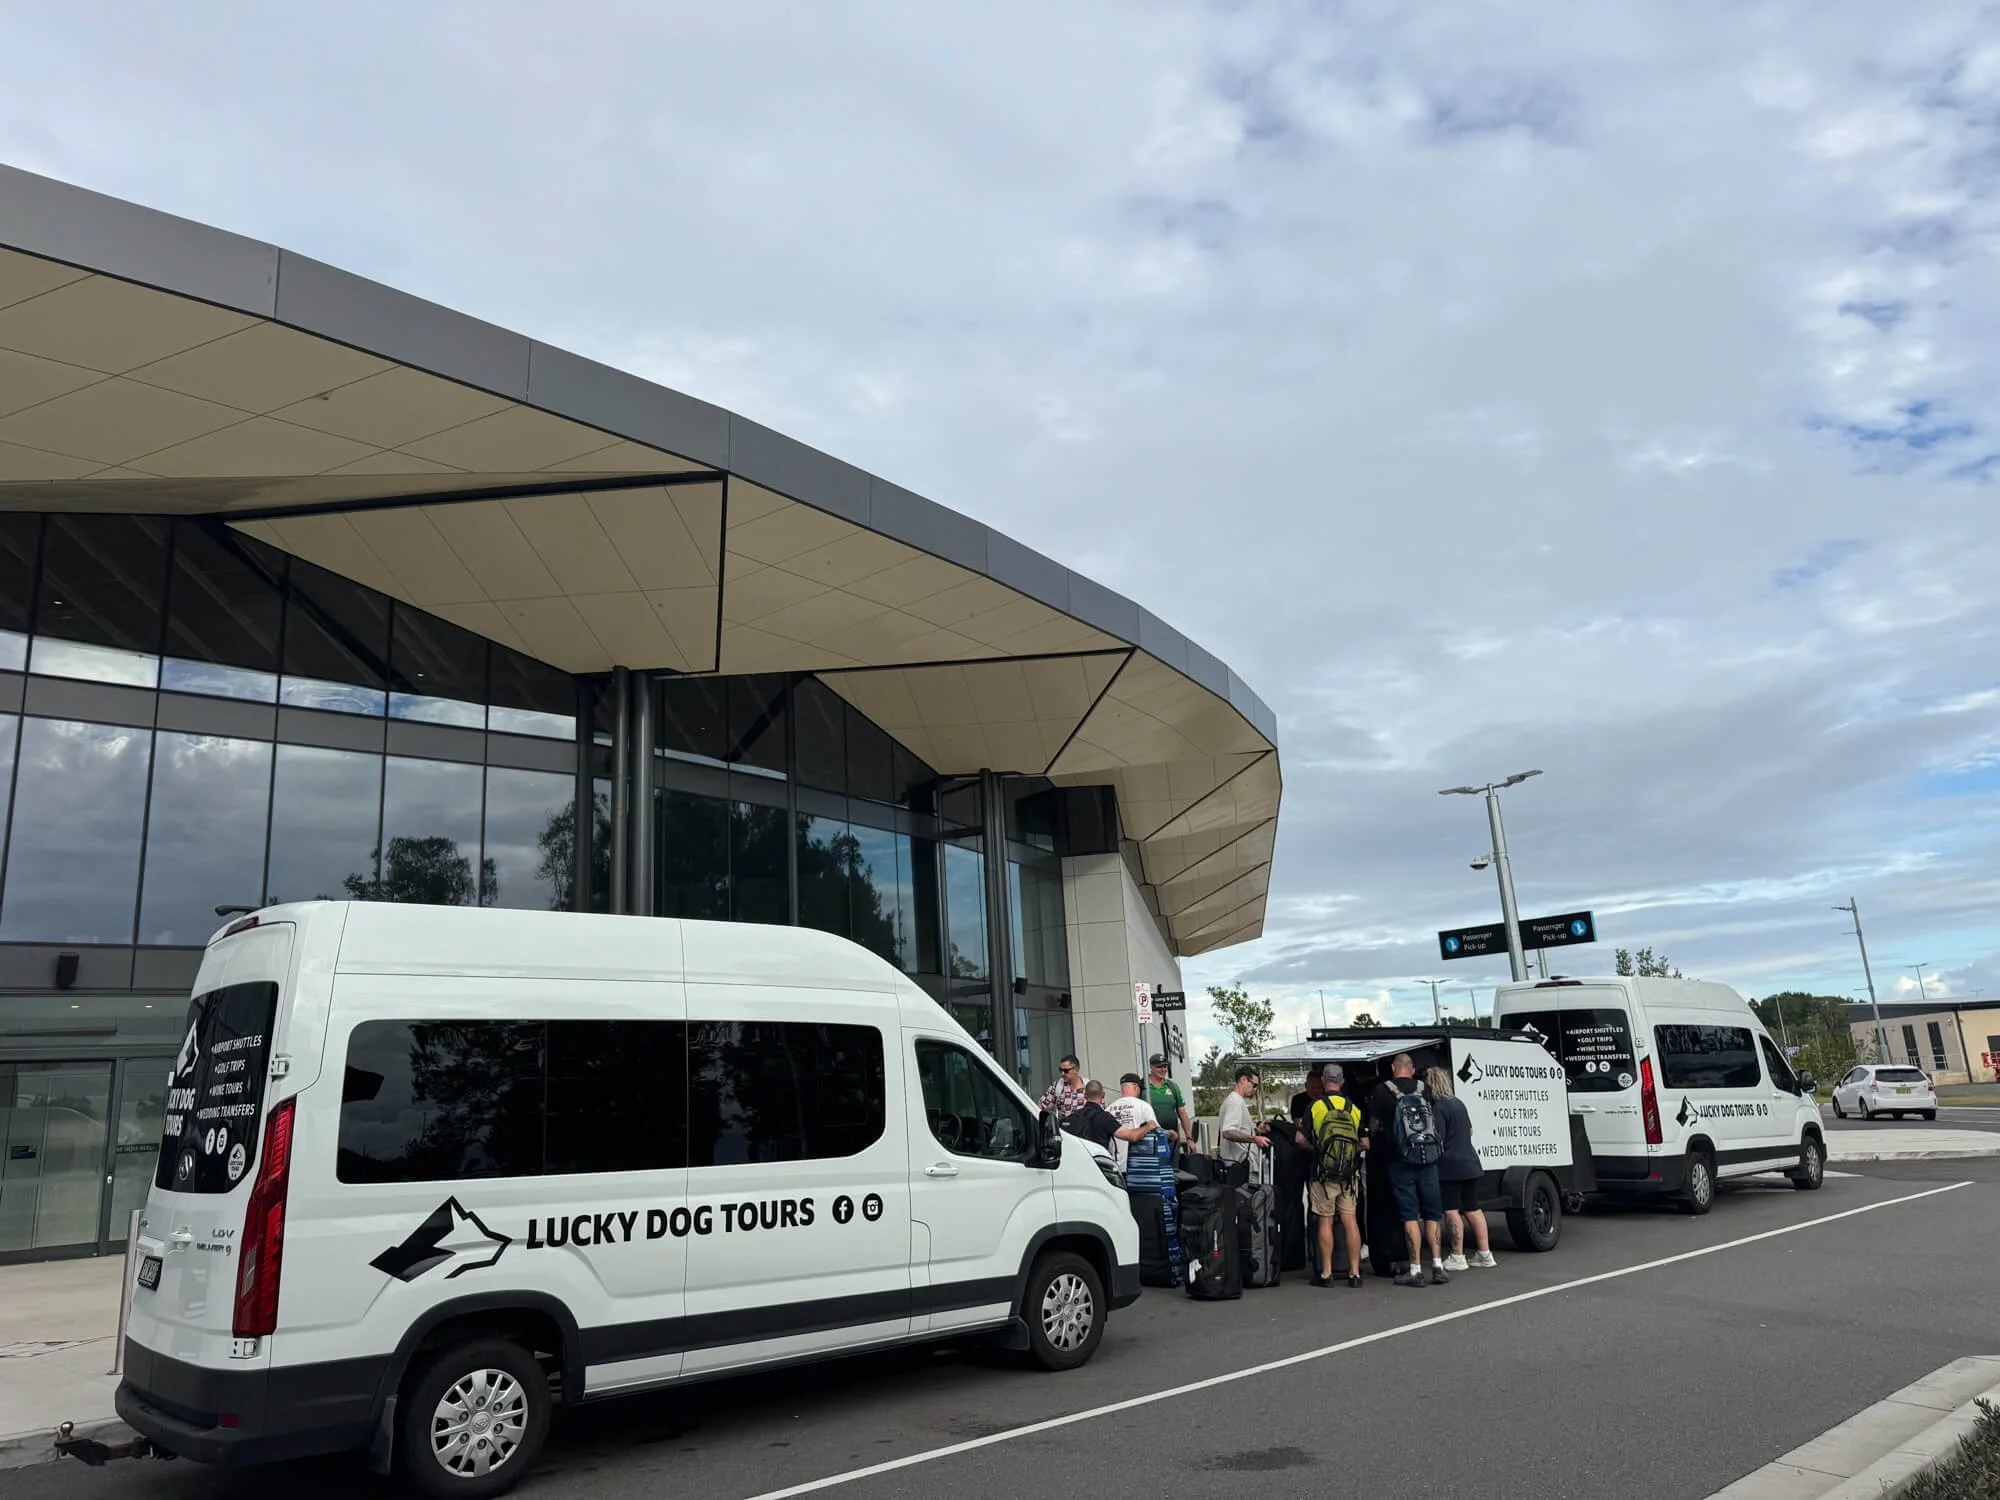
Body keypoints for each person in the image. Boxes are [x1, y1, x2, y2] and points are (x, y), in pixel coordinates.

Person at [1369, 1053, 1445, 1287]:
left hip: (1400, 1161)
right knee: (1432, 1214)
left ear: (1393, 1068)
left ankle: (1415, 1269)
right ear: (1412, 1069)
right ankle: (1438, 1265)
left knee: (1410, 1216)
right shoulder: (1426, 1089)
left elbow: (1373, 1127)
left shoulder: (1382, 1091)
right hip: (1429, 1159)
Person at [1426, 1065, 1496, 1271]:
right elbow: (1471, 1129)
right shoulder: (1459, 1103)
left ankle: (1457, 1255)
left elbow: (1438, 1137)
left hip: (1450, 1165)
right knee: (1473, 1207)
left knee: (1451, 1210)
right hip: (1470, 1161)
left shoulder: (1438, 1107)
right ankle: (1485, 1253)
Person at [1305, 1063, 1365, 1289]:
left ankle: (1326, 1273)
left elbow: (1301, 1139)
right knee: (1350, 1221)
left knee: (1325, 1220)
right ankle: (1355, 1273)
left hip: (1323, 1174)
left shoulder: (1315, 1107)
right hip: (1349, 1176)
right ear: (1342, 1082)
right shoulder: (1354, 1109)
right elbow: (1363, 1142)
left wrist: (1318, 1151)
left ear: (1323, 1080)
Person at [1073, 1078, 1158, 1169]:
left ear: (1085, 1096)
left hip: (1078, 1166)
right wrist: (1149, 1125)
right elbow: (1132, 1136)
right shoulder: (1104, 1117)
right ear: (1103, 1095)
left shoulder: (1074, 1117)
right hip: (1100, 1167)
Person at [1217, 1065, 1269, 1171]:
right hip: (1237, 1165)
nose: (1255, 1090)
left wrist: (1255, 1130)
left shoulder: (1234, 1100)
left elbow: (1237, 1129)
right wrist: (1254, 1139)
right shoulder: (1235, 1101)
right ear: (1243, 1080)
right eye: (1254, 1085)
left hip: (1237, 1164)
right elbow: (1228, 1131)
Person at [1146, 1055, 1193, 1145]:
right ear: (1151, 1067)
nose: (1163, 1070)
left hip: (1172, 1139)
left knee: (1174, 1159)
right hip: (1150, 1141)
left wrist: (1189, 1138)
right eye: (1159, 1067)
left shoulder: (1173, 1087)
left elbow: (1182, 1114)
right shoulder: (1143, 1086)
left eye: (1165, 1066)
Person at [1039, 1055, 1085, 1122]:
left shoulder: (1088, 1087)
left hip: (1084, 1130)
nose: (1062, 1073)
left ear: (1076, 1070)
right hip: (1063, 1130)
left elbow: (1098, 1111)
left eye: (1066, 1070)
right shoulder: (1057, 1086)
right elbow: (1040, 1107)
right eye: (1060, 1070)